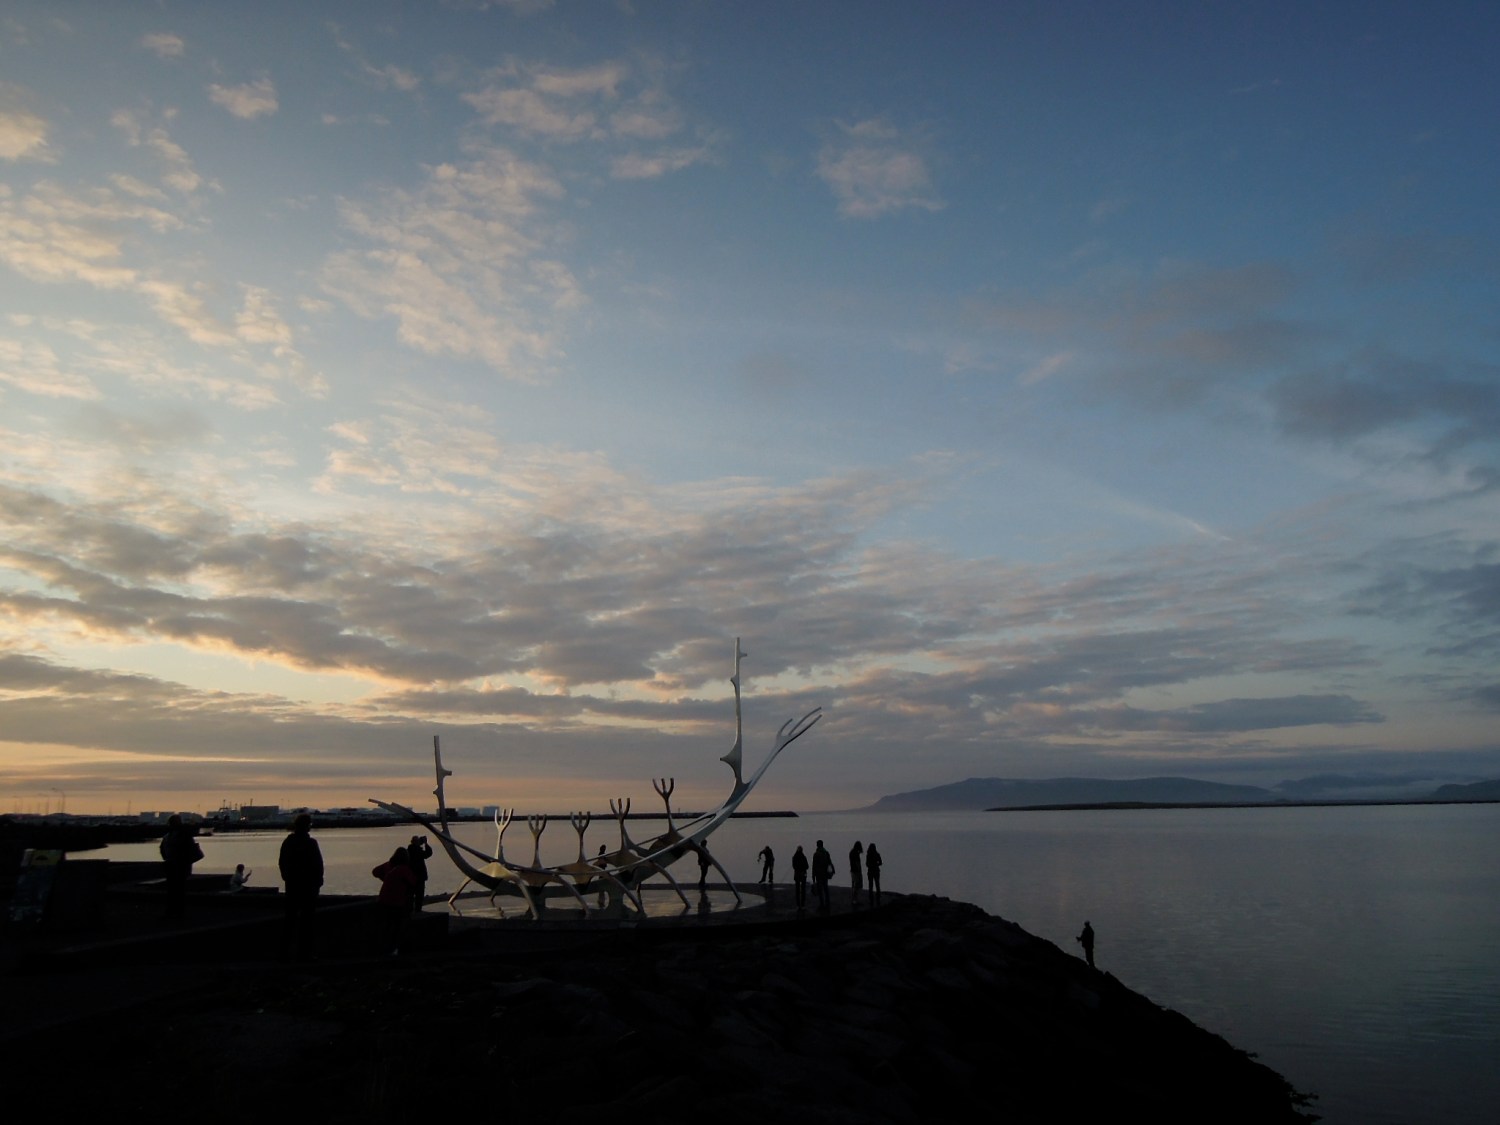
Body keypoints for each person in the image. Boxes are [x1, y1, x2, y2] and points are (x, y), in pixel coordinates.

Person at [278, 814, 323, 961]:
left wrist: (287, 877)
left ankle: (284, 953)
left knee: (289, 920)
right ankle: (304, 953)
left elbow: (282, 862)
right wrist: (318, 881)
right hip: (308, 887)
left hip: (292, 886)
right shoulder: (311, 843)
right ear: (307, 826)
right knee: (307, 921)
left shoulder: (288, 842)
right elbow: (318, 865)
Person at [373, 847, 418, 956]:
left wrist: (385, 878)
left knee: (386, 925)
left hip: (384, 900)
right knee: (398, 926)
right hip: (397, 902)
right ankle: (394, 949)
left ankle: (383, 948)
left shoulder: (388, 865)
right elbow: (413, 883)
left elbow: (375, 871)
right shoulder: (404, 869)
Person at [158, 814, 202, 920]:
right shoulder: (184, 835)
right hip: (179, 865)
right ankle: (177, 911)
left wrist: (167, 858)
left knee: (174, 889)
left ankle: (173, 911)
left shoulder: (169, 836)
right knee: (178, 889)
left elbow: (163, 849)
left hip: (175, 865)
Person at [407, 834, 433, 913]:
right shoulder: (417, 850)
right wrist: (426, 844)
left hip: (410, 876)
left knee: (410, 895)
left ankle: (410, 910)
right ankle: (417, 911)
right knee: (419, 895)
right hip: (419, 876)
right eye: (418, 841)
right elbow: (428, 853)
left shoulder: (408, 850)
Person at [811, 839, 835, 911]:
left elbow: (814, 866)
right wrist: (831, 871)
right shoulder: (826, 853)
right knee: (826, 888)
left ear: (817, 845)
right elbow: (830, 862)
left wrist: (813, 876)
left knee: (820, 890)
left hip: (819, 874)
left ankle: (822, 904)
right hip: (825, 874)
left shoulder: (816, 854)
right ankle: (827, 903)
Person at [849, 841, 864, 905]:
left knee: (853, 885)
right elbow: (857, 863)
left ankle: (853, 899)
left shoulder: (851, 852)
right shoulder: (856, 853)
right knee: (856, 886)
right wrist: (860, 871)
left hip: (852, 870)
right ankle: (855, 900)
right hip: (856, 871)